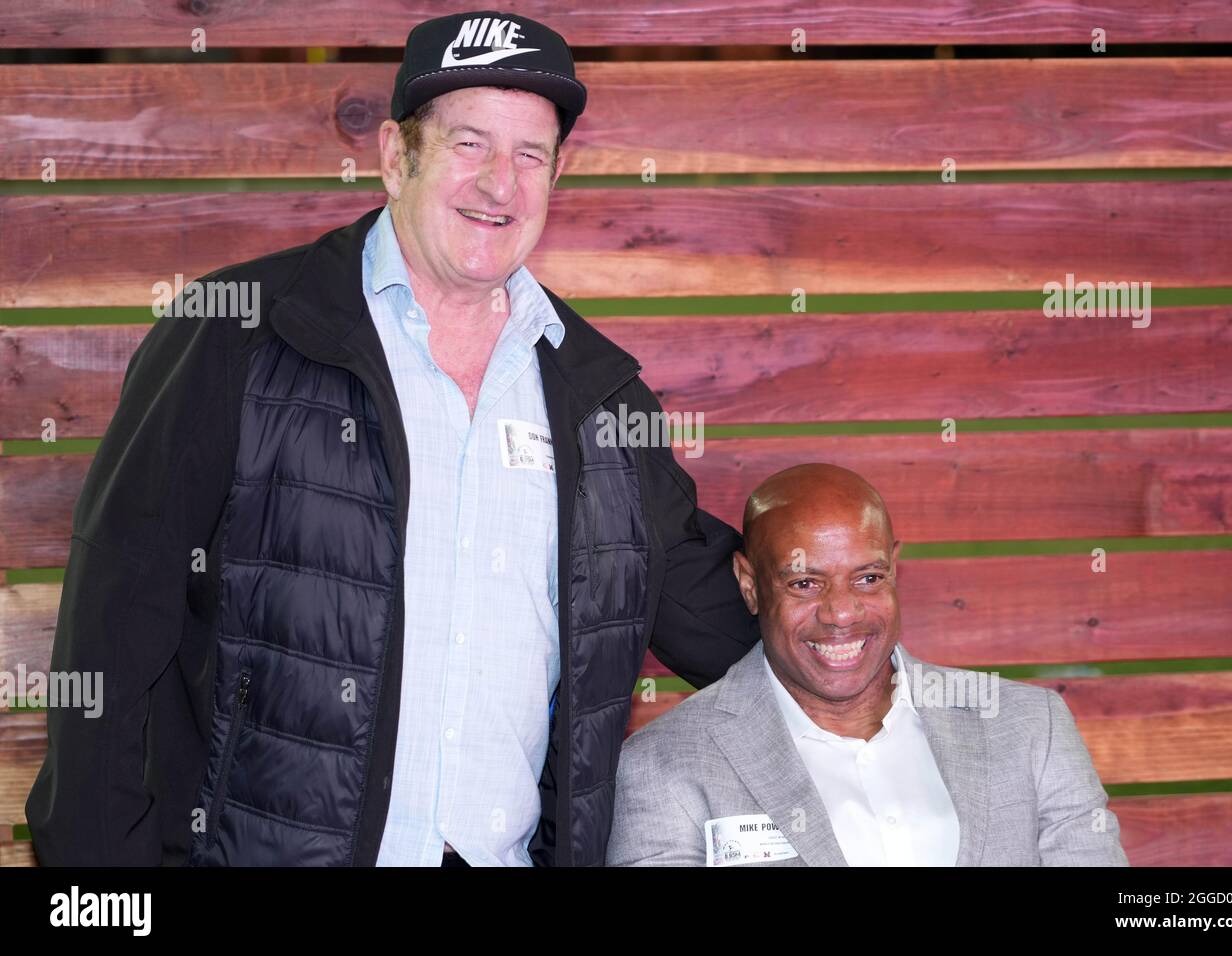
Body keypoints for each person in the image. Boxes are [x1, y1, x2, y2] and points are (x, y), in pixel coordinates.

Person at [26, 10, 758, 867]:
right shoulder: (238, 336)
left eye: (530, 155)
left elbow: (717, 609)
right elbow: (113, 634)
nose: (500, 185)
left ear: (562, 172)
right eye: (469, 145)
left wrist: (872, 665)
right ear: (394, 155)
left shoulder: (597, 392)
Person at [606, 463, 1128, 866]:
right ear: (749, 584)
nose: (841, 613)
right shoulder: (662, 765)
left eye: (868, 578)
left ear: (894, 569)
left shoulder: (1032, 725)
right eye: (804, 583)